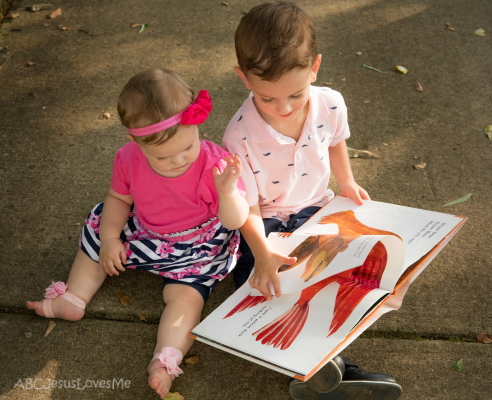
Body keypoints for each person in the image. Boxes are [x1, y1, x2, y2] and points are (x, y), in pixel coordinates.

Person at [27, 68, 249, 398]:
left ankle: (166, 358)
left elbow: (234, 222)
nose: (178, 161)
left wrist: (228, 192)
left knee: (185, 298)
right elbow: (119, 198)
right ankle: (74, 296)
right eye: (163, 156)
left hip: (197, 247)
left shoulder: (214, 164)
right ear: (134, 141)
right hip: (145, 232)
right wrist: (111, 239)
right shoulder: (128, 159)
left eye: (187, 147)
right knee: (99, 223)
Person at [222, 3, 402, 399]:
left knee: (355, 269)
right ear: (243, 78)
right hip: (267, 222)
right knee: (266, 283)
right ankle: (330, 368)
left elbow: (337, 141)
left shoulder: (330, 102)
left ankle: (327, 367)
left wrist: (349, 182)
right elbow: (248, 208)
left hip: (320, 208)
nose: (283, 107)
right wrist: (263, 251)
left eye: (296, 95)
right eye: (267, 98)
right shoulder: (238, 136)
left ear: (315, 67)